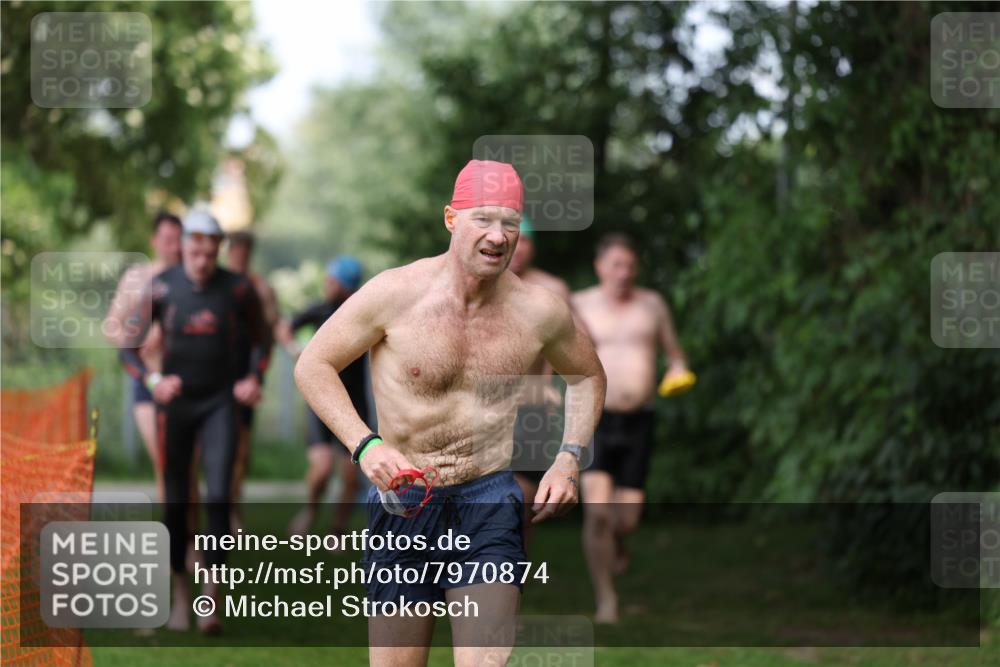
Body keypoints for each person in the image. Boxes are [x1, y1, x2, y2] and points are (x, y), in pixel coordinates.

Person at [295, 160, 606, 667]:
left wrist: (569, 458)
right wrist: (364, 443)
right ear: (450, 219)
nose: (498, 235)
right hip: (406, 499)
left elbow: (588, 375)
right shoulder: (395, 293)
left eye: (509, 222)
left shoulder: (538, 310)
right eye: (483, 219)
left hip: (489, 498)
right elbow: (314, 364)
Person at [119, 208, 271, 634]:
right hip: (177, 406)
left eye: (210, 252)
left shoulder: (239, 289)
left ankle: (211, 599)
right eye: (194, 251)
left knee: (219, 496)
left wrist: (253, 378)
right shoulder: (162, 288)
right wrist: (153, 379)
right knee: (175, 501)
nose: (202, 261)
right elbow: (127, 350)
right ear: (183, 247)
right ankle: (180, 598)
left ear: (219, 248)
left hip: (221, 403)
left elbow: (263, 342)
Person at [572, 232, 691, 624]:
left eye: (630, 265)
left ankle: (619, 539)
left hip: (640, 419)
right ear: (600, 266)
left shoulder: (652, 305)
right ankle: (606, 600)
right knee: (598, 513)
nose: (623, 273)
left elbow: (674, 353)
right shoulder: (580, 304)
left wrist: (677, 368)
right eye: (616, 264)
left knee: (627, 518)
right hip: (595, 417)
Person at [278, 255, 368, 539]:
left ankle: (338, 530)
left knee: (351, 476)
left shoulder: (363, 315)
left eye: (333, 280)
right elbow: (283, 327)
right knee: (322, 467)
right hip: (321, 402)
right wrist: (294, 350)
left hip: (354, 404)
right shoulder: (319, 310)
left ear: (347, 287)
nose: (327, 284)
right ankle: (311, 512)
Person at [105, 212, 183, 502]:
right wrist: (137, 339)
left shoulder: (193, 277)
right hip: (148, 382)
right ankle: (179, 538)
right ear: (154, 241)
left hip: (185, 381)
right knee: (163, 462)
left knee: (183, 466)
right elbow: (111, 327)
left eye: (178, 240)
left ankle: (193, 536)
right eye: (167, 240)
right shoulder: (137, 278)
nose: (174, 247)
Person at [506, 218, 574, 545]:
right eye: (513, 239)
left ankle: (513, 577)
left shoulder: (552, 289)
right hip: (482, 407)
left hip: (532, 408)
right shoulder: (482, 285)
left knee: (522, 501)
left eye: (526, 241)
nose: (519, 248)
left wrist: (553, 387)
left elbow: (582, 345)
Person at [224, 231, 279, 531]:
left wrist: (256, 376)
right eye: (236, 251)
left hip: (246, 379)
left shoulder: (260, 288)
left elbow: (267, 337)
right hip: (215, 378)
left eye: (246, 251)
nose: (240, 256)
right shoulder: (215, 284)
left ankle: (233, 509)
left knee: (240, 452)